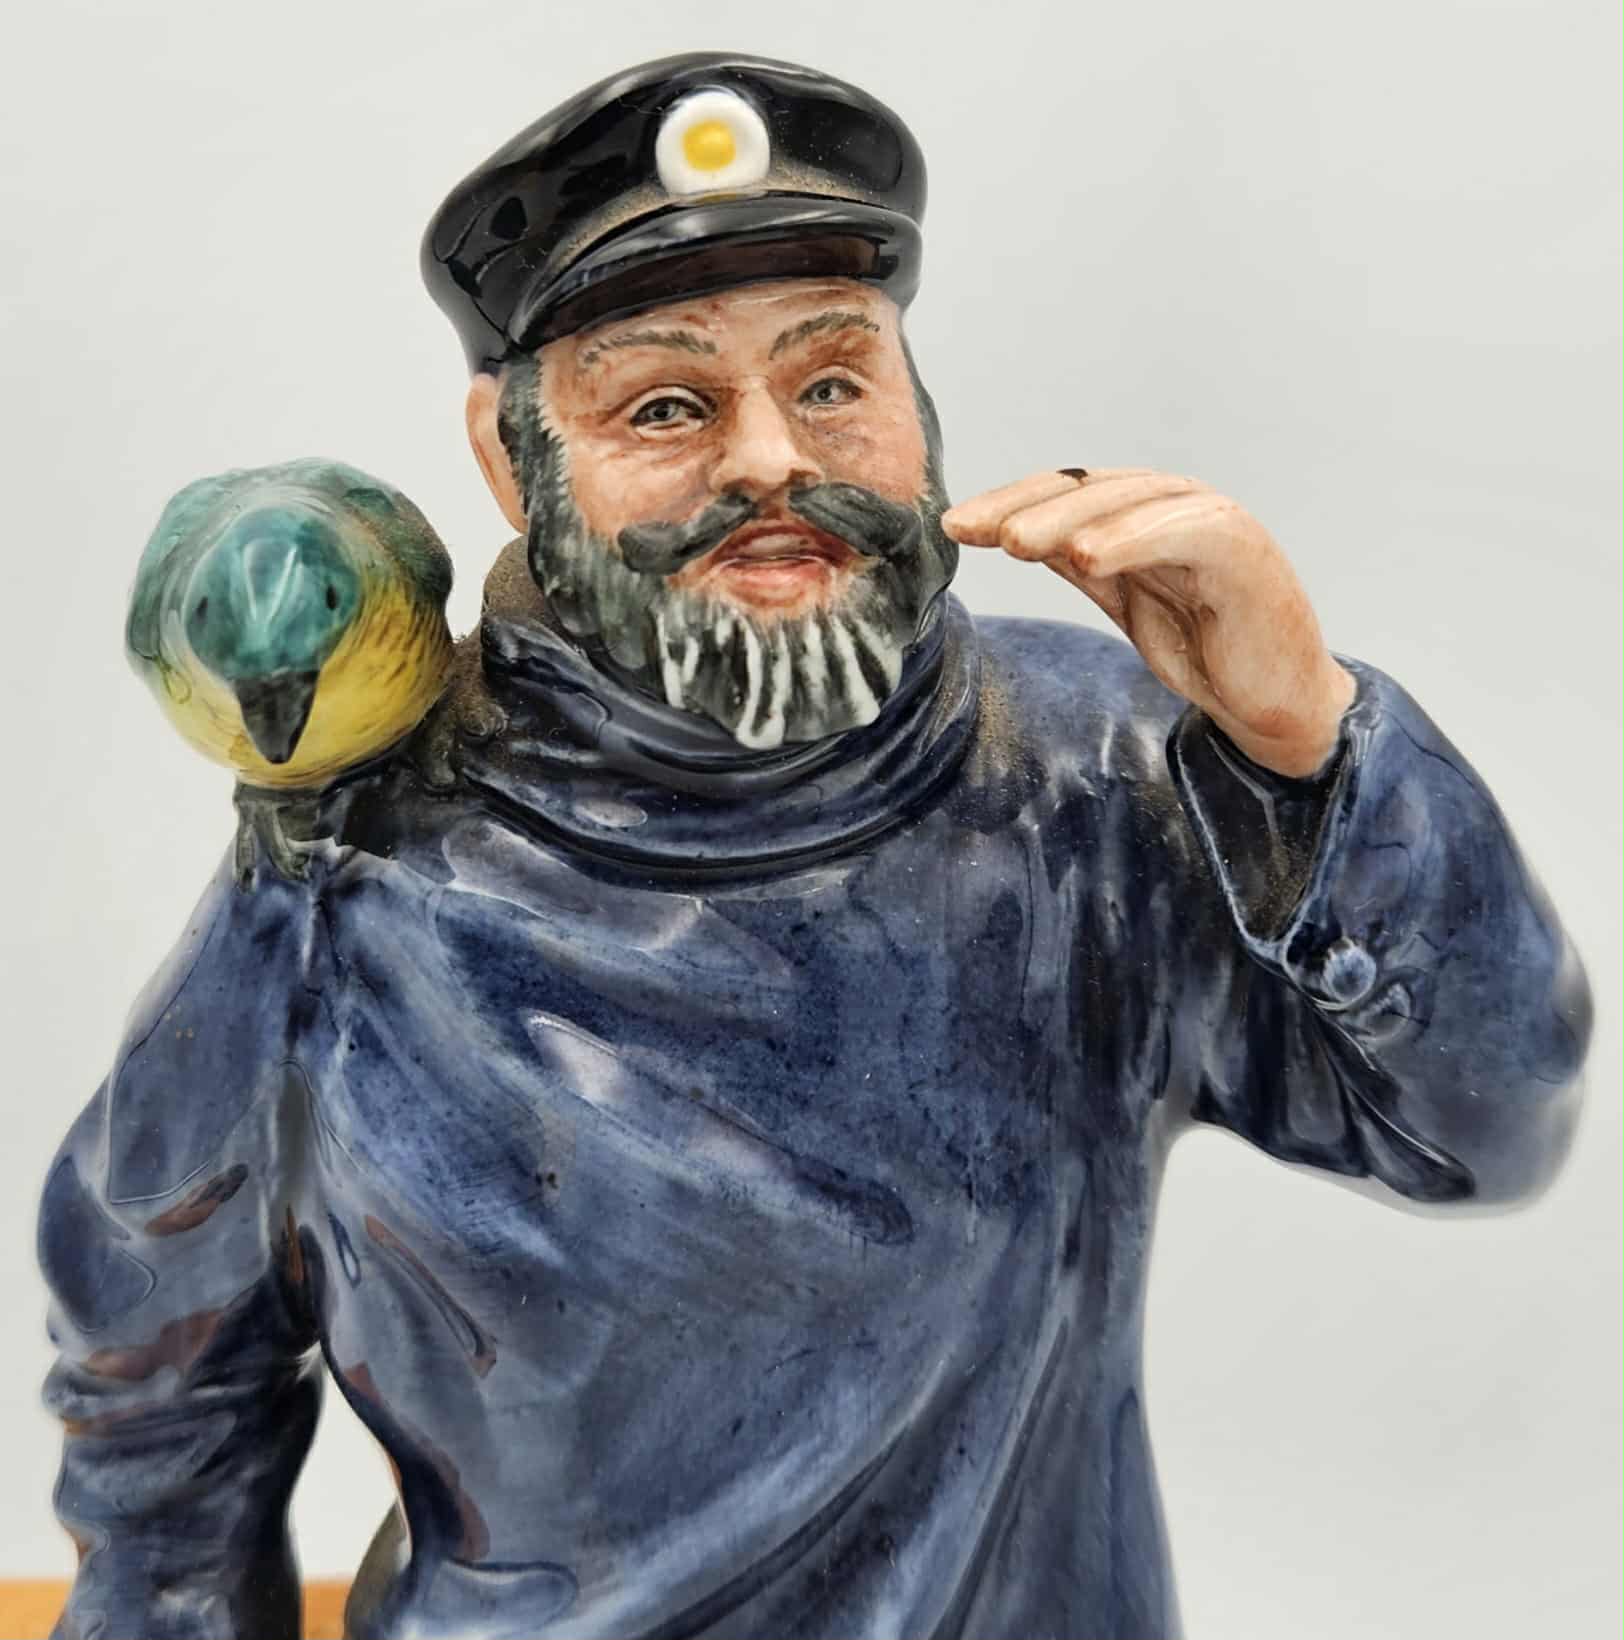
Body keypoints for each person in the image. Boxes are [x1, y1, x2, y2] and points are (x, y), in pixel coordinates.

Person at [38, 52, 1590, 1640]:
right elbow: (163, 1403)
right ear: (513, 459)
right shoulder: (349, 880)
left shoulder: (1089, 783)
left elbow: (1484, 1128)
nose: (772, 458)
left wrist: (1312, 748)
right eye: (667, 405)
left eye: (834, 382)